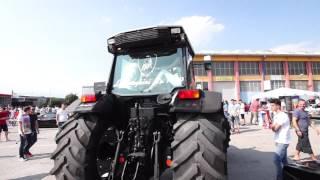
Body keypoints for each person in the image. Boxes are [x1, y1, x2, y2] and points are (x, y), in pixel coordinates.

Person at [270, 99, 291, 180]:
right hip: (279, 140)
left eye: (272, 105)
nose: (271, 107)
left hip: (283, 141)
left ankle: (280, 178)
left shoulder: (283, 115)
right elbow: (274, 127)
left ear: (278, 106)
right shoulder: (276, 115)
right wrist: (273, 127)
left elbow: (275, 128)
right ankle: (289, 176)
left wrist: (272, 127)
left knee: (276, 159)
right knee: (284, 162)